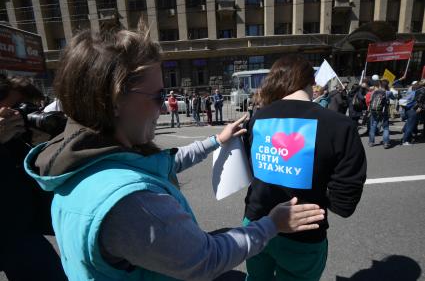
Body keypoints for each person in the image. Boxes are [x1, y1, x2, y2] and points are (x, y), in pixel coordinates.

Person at [23, 24, 325, 281]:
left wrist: (214, 141)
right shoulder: (132, 204)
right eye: (157, 96)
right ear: (116, 101)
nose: (163, 105)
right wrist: (272, 224)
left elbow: (158, 164)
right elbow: (205, 259)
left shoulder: (78, 159)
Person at [242, 55, 367, 281]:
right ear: (311, 83)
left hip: (256, 223)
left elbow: (254, 171)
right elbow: (344, 204)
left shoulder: (257, 119)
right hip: (303, 232)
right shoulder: (339, 125)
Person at [0, 75, 67, 281]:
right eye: (14, 107)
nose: (19, 114)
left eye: (24, 107)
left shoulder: (15, 136)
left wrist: (42, 146)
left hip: (19, 232)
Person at [368, 79, 396, 148]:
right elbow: (394, 98)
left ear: (380, 85)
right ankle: (386, 143)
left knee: (373, 126)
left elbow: (370, 101)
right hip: (384, 112)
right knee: (385, 128)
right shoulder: (388, 93)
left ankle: (371, 142)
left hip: (374, 111)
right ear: (387, 85)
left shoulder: (374, 92)